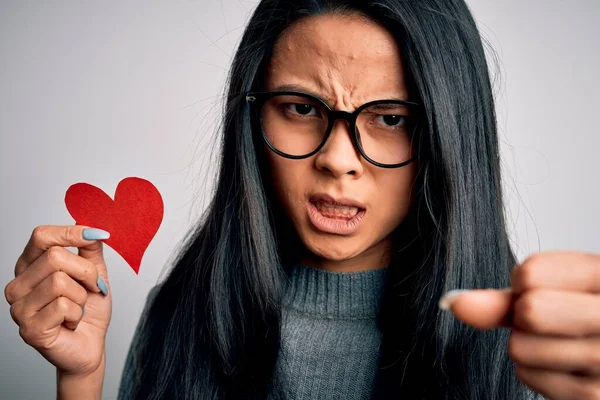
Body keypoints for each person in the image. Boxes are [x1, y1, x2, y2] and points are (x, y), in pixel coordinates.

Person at [5, 0, 600, 398]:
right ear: (252, 118)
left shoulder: (535, 347)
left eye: (390, 118)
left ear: (449, 137)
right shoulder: (180, 312)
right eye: (301, 109)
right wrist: (80, 379)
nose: (338, 160)